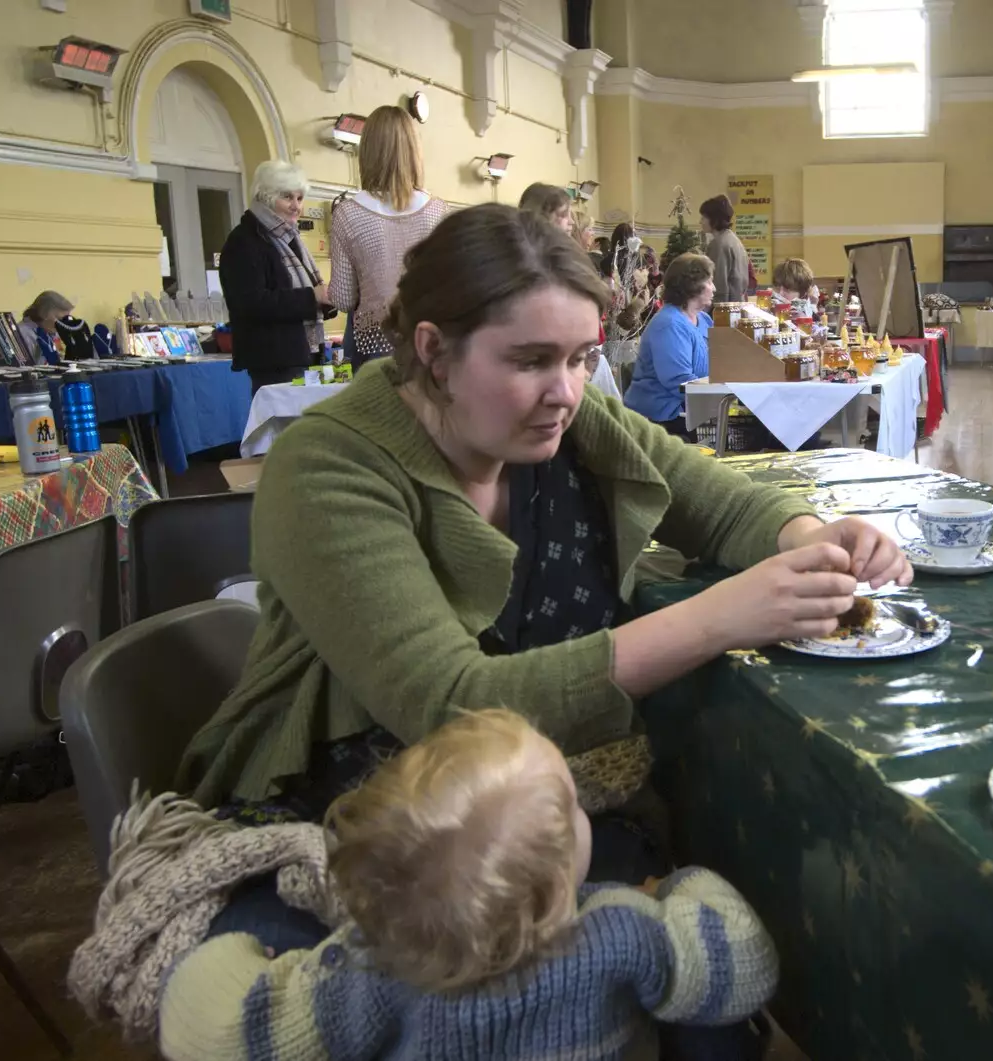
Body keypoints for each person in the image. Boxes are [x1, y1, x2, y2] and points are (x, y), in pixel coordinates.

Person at [175, 204, 909, 908]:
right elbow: (448, 706)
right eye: (530, 360)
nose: (566, 391)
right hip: (371, 808)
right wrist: (716, 618)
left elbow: (712, 498)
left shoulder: (565, 413)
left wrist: (812, 535)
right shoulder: (328, 466)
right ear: (433, 351)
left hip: (551, 782)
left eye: (584, 357)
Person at [159, 710, 777, 1061]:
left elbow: (210, 1035)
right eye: (573, 806)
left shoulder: (364, 970)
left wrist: (223, 956)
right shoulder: (620, 927)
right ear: (558, 885)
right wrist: (680, 889)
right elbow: (745, 958)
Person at [328, 105, 447, 369]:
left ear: (367, 151)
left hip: (374, 346)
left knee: (378, 409)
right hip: (427, 343)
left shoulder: (348, 213)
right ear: (413, 151)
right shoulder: (437, 211)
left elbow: (342, 298)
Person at [220, 161, 335, 395]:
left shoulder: (290, 238)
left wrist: (327, 300)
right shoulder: (244, 241)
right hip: (273, 361)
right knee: (283, 430)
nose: (296, 206)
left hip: (302, 355)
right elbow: (250, 304)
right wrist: (311, 296)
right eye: (287, 197)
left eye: (300, 198)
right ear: (266, 197)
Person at [623, 254, 715, 438]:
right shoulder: (670, 325)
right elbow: (680, 384)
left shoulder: (704, 319)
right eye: (709, 282)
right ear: (691, 286)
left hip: (692, 409)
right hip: (663, 418)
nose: (714, 288)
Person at [699, 194, 748, 304]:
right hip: (737, 305)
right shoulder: (734, 240)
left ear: (714, 219)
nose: (700, 222)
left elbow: (718, 285)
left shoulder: (718, 244)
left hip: (724, 310)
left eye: (704, 217)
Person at [15, 290, 74, 363]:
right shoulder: (22, 334)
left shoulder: (52, 331)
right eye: (60, 319)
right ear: (43, 314)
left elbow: (61, 358)